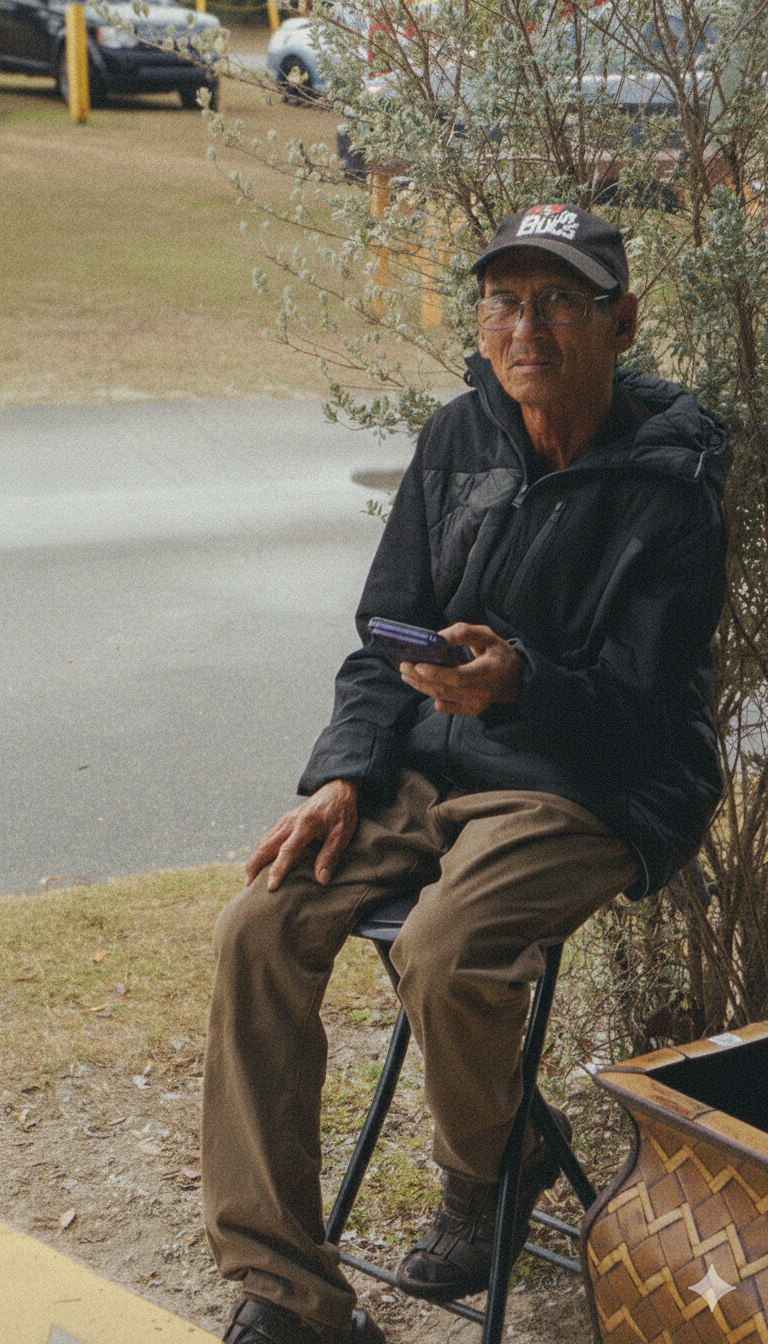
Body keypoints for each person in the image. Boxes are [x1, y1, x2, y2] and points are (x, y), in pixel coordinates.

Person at [201, 204, 729, 1344]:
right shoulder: (459, 438)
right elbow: (381, 639)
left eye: (559, 302)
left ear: (621, 322)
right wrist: (344, 774)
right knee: (259, 927)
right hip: (432, 762)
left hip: (592, 784)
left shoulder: (673, 485)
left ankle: (491, 1168)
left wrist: (519, 683)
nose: (525, 328)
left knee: (446, 951)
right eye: (503, 303)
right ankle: (289, 1294)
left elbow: (645, 712)